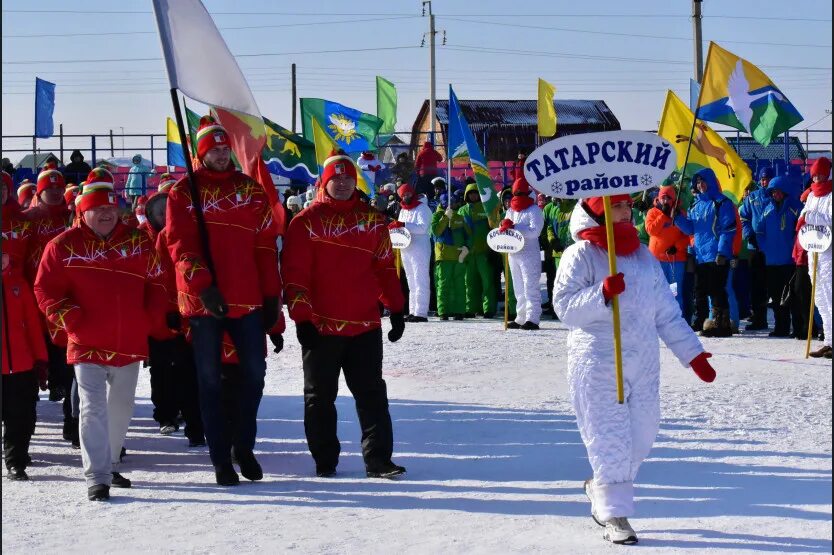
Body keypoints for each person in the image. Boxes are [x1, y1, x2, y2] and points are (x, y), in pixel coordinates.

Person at [553, 193, 716, 545]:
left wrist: (693, 354)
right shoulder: (580, 254)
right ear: (598, 211)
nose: (626, 210)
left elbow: (666, 312)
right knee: (609, 438)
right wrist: (602, 294)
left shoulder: (642, 256)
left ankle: (602, 487)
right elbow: (564, 307)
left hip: (643, 361)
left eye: (627, 205)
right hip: (598, 361)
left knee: (643, 433)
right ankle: (614, 514)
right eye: (617, 206)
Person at [34, 168, 170, 501]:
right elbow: (44, 289)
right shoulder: (62, 246)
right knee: (93, 407)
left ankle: (109, 463)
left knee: (121, 406)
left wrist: (149, 318)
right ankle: (97, 476)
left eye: (111, 207)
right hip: (86, 341)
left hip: (128, 340)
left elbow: (158, 281)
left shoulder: (137, 241)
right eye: (98, 208)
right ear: (83, 211)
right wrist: (69, 317)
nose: (107, 213)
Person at [165, 116, 283, 485]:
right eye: (212, 149)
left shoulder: (250, 190)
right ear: (201, 153)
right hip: (205, 303)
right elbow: (179, 246)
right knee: (210, 381)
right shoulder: (184, 192)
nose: (219, 153)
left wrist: (271, 300)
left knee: (254, 375)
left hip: (247, 299)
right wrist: (202, 284)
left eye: (223, 147)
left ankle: (242, 447)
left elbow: (266, 248)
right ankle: (220, 459)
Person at [282, 150, 407, 479]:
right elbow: (295, 276)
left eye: (348, 177)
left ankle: (378, 460)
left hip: (364, 324)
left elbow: (383, 268)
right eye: (335, 178)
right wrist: (302, 317)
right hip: (321, 327)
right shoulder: (305, 222)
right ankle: (325, 460)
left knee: (372, 395)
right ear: (324, 181)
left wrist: (396, 307)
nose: (342, 183)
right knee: (320, 398)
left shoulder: (371, 221)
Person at [24, 166, 78, 441]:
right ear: (40, 190)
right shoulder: (28, 219)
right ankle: (25, 428)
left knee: (70, 367)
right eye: (49, 187)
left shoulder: (73, 217)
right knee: (30, 365)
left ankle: (73, 424)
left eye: (59, 187)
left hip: (65, 302)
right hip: (32, 304)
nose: (56, 191)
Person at [2, 171, 48, 481]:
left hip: (21, 362)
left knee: (21, 412)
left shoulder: (20, 286)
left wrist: (40, 359)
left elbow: (32, 325)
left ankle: (16, 459)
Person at [673, 168, 737, 337]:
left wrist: (722, 252)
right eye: (698, 182)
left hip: (716, 254)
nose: (701, 185)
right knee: (700, 289)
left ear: (710, 181)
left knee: (717, 289)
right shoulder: (695, 205)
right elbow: (690, 229)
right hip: (701, 255)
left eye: (703, 181)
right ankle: (701, 321)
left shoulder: (722, 202)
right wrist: (677, 217)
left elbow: (728, 229)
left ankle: (721, 324)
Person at [754, 176, 802, 337]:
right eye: (773, 192)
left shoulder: (795, 208)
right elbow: (759, 230)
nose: (776, 194)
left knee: (794, 296)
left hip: (790, 260)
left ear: (785, 191)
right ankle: (781, 327)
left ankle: (798, 328)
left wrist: (795, 249)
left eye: (779, 191)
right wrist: (764, 247)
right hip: (772, 261)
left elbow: (801, 231)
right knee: (776, 297)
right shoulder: (767, 209)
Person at [499, 177, 544, 330]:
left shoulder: (534, 210)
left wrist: (516, 227)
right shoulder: (510, 210)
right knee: (518, 287)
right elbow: (505, 225)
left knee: (530, 285)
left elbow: (535, 231)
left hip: (529, 253)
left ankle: (532, 318)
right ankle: (521, 317)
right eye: (516, 193)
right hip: (513, 253)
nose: (518, 195)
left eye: (521, 193)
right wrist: (504, 225)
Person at [801, 157, 832, 358]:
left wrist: (810, 217)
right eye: (814, 174)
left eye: (821, 174)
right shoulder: (811, 194)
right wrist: (803, 218)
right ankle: (829, 339)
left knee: (830, 293)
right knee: (819, 295)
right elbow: (803, 214)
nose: (817, 178)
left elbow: (829, 218)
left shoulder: (831, 194)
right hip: (814, 248)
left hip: (829, 250)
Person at [739, 167, 775, 331]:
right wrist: (749, 234)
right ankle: (759, 319)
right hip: (755, 247)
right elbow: (744, 217)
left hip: (774, 248)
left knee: (774, 284)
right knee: (756, 285)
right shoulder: (753, 197)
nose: (763, 182)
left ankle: (782, 321)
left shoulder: (777, 196)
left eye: (766, 179)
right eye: (762, 179)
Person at [645, 185, 690, 312]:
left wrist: (677, 247)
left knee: (675, 292)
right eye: (663, 198)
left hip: (676, 260)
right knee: (657, 291)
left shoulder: (680, 214)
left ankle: (677, 319)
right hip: (656, 260)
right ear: (658, 199)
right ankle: (658, 320)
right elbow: (651, 230)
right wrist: (663, 216)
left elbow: (688, 235)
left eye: (668, 198)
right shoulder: (652, 212)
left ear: (673, 200)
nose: (665, 201)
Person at [392, 184, 432, 322]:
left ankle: (421, 312)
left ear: (412, 194)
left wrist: (404, 225)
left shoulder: (422, 208)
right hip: (406, 247)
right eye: (403, 195)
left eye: (407, 194)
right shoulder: (403, 210)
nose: (406, 197)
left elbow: (423, 227)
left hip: (419, 246)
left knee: (420, 278)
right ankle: (413, 310)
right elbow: (401, 226)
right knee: (410, 279)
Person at [431, 190, 470, 320]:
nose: (451, 205)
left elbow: (468, 235)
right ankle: (443, 311)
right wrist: (445, 217)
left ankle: (459, 311)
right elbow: (436, 232)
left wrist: (467, 248)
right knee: (443, 284)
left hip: (459, 256)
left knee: (459, 284)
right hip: (443, 256)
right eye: (448, 203)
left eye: (453, 203)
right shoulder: (437, 216)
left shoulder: (459, 217)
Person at [458, 183, 496, 318]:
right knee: (469, 282)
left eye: (475, 193)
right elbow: (459, 231)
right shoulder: (462, 211)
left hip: (484, 251)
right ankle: (471, 308)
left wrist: (492, 250)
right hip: (468, 253)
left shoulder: (487, 209)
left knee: (487, 281)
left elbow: (493, 229)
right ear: (466, 195)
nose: (473, 195)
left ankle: (488, 308)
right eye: (470, 193)